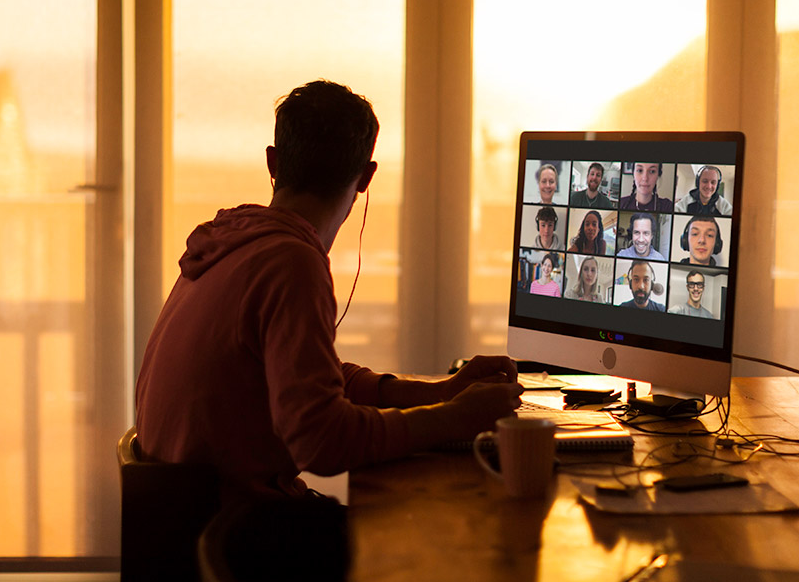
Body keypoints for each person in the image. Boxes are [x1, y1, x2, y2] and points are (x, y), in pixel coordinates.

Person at [134, 80, 522, 499]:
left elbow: (307, 376)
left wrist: (441, 393)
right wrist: (452, 419)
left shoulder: (228, 243)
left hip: (180, 526)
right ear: (366, 177)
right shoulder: (290, 263)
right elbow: (322, 441)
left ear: (273, 163)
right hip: (233, 537)